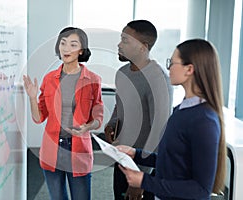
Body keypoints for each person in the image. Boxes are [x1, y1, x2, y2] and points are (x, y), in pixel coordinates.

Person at [117, 39, 227, 200]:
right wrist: (137, 154)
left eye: (172, 62)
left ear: (189, 69)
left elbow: (200, 190)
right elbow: (173, 161)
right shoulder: (182, 109)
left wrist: (144, 181)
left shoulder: (204, 120)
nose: (168, 68)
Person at [23, 27, 103, 200]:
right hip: (52, 149)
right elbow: (38, 118)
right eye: (63, 43)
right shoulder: (49, 79)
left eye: (73, 44)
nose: (66, 48)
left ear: (81, 50)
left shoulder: (93, 80)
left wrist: (88, 126)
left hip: (79, 150)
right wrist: (32, 97)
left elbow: (98, 116)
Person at [104, 20, 173, 200]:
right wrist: (111, 124)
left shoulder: (157, 79)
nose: (119, 45)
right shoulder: (122, 73)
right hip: (121, 158)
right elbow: (120, 106)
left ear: (143, 47)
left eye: (125, 41)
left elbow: (160, 131)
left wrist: (142, 178)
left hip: (144, 168)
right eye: (121, 39)